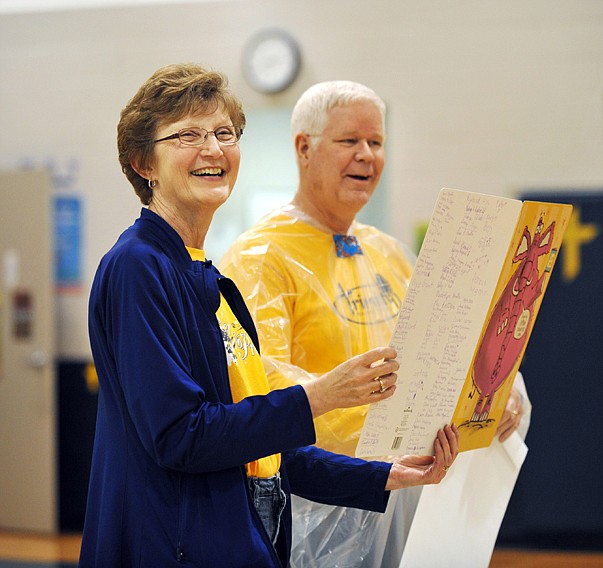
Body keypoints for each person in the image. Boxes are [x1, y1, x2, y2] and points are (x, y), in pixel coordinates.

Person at [78, 64, 460, 568]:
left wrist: (384, 475)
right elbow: (181, 437)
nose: (213, 149)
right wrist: (320, 397)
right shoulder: (137, 267)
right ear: (143, 163)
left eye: (224, 133)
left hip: (234, 533)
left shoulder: (203, 272)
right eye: (188, 135)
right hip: (170, 544)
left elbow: (257, 442)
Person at [220, 80, 530, 567]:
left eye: (377, 142)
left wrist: (494, 391)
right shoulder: (260, 256)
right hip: (321, 500)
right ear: (304, 148)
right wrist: (391, 425)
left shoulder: (387, 252)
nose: (367, 155)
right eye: (349, 141)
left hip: (409, 489)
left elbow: (451, 343)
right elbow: (263, 381)